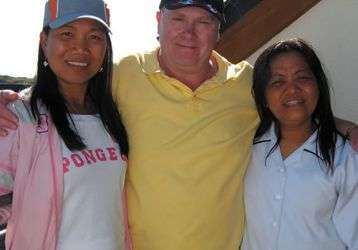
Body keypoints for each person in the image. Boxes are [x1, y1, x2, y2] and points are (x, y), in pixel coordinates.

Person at [0, 1, 357, 250]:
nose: (190, 32)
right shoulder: (124, 75)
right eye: (178, 19)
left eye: (203, 21)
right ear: (158, 21)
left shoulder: (246, 83)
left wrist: (344, 128)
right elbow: (68, 83)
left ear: (219, 30)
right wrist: (13, 101)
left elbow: (293, 106)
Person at [0, 0, 131, 249]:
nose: (80, 48)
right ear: (43, 40)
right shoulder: (19, 119)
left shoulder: (114, 115)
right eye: (67, 34)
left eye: (94, 36)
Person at [242, 38, 358, 250]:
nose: (292, 89)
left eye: (302, 78)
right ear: (264, 96)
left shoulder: (346, 157)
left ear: (317, 85)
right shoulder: (246, 147)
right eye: (278, 82)